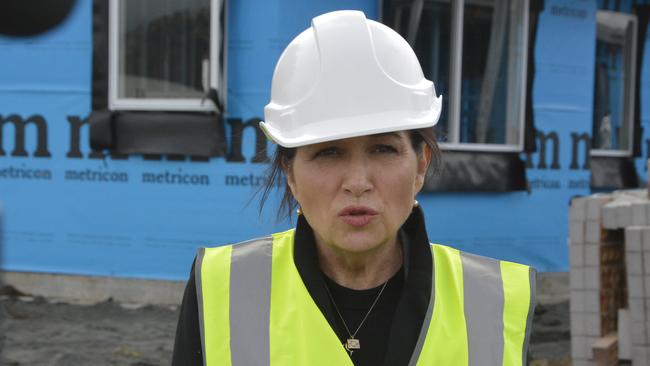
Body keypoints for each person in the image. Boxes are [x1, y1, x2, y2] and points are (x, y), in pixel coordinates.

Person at [172, 10, 536, 366]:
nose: (358, 183)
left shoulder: (493, 304)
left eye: (383, 149)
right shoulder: (223, 290)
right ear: (291, 174)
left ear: (420, 165)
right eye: (328, 153)